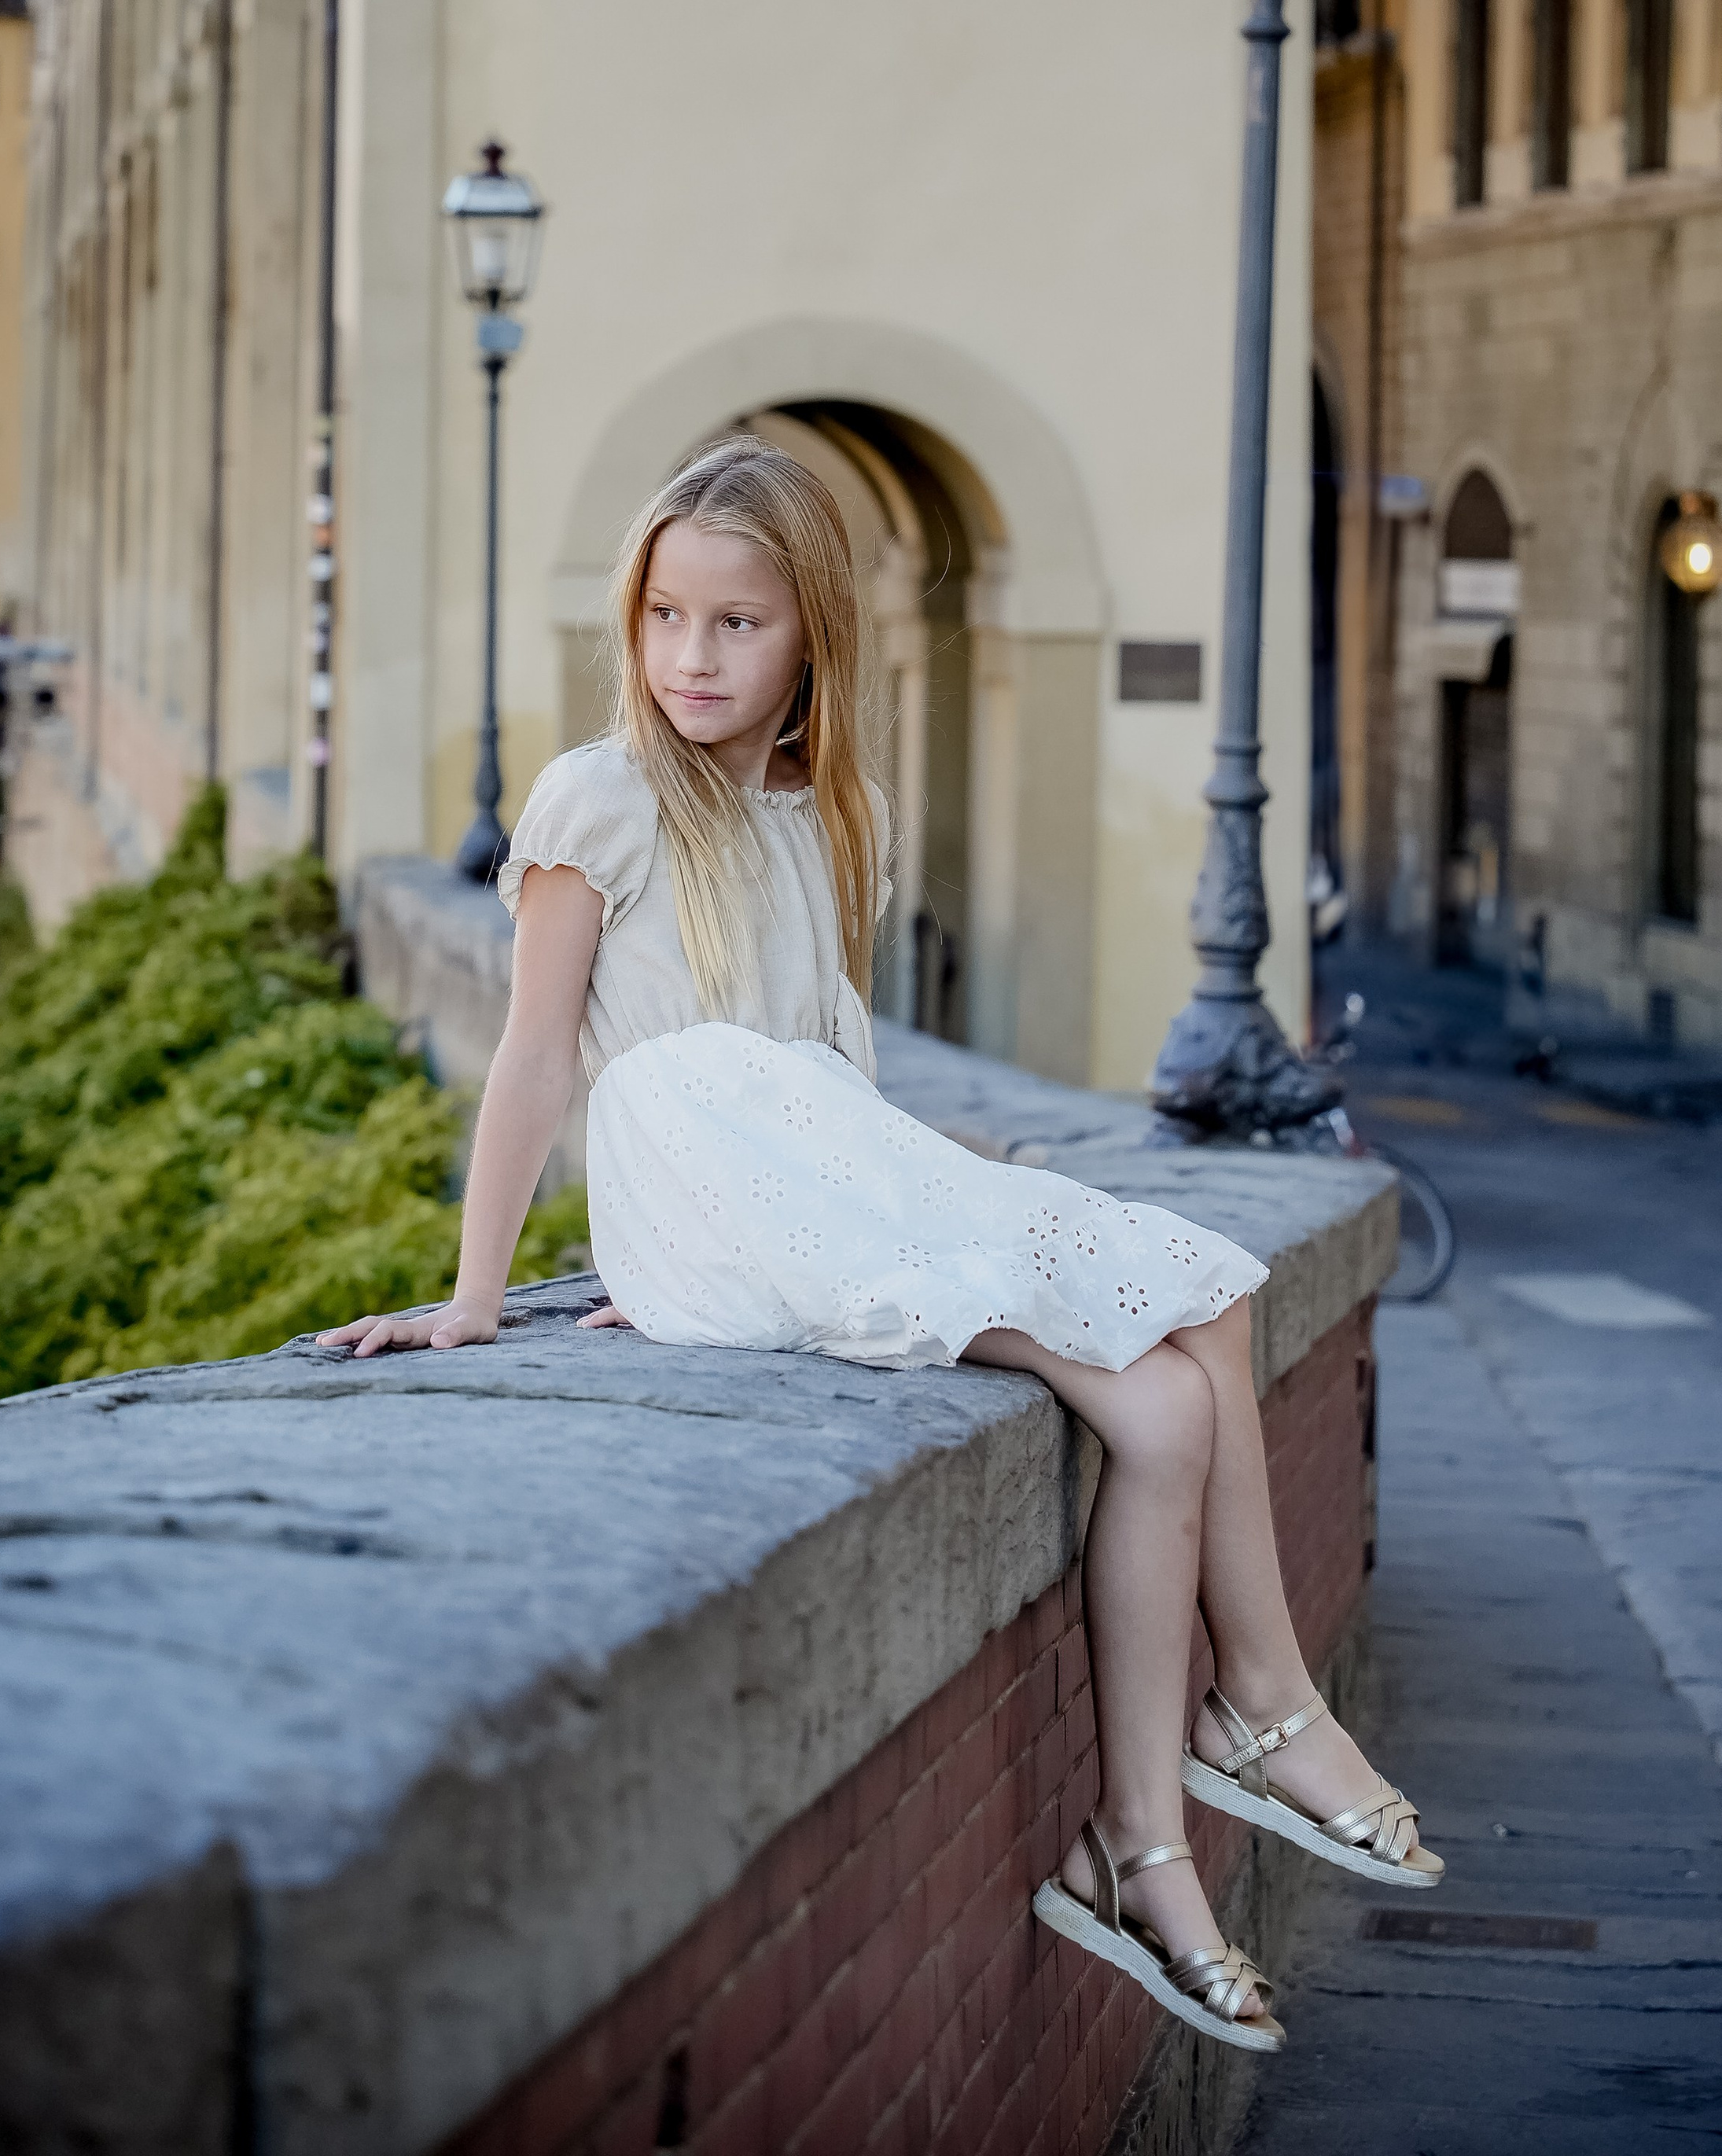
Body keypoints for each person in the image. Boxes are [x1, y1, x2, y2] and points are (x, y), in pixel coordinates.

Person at [321, 437, 1440, 2047]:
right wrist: (481, 1299)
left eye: (736, 625)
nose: (691, 660)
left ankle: (1177, 1795)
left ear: (811, 637)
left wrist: (836, 1226)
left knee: (1206, 1296)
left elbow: (834, 1072)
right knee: (1156, 1400)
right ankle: (1205, 1769)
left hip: (806, 1166)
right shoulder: (600, 797)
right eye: (665, 618)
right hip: (702, 1173)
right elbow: (536, 1055)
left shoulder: (832, 813)